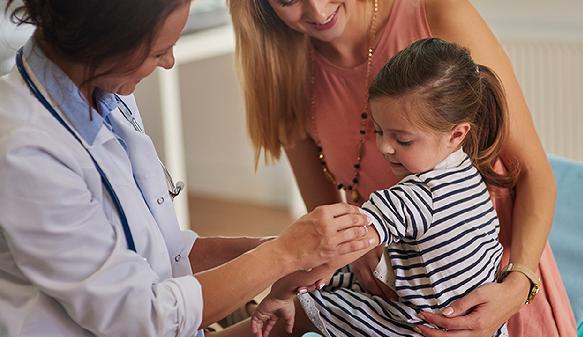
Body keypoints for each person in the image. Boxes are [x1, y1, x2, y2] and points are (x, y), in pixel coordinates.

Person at [0, 1, 376, 337]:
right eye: (159, 51)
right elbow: (141, 318)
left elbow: (162, 253)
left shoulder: (101, 93)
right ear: (104, 42)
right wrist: (282, 256)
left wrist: (278, 250)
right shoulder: (25, 149)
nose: (169, 63)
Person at [228, 0, 577, 336]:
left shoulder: (439, 14)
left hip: (502, 279)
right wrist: (359, 248)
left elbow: (535, 173)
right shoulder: (283, 72)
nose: (317, 9)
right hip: (400, 291)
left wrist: (518, 284)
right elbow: (325, 214)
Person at [251, 37, 514, 337]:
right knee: (347, 279)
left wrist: (281, 291)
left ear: (456, 134)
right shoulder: (468, 174)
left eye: (402, 140)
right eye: (378, 131)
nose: (385, 147)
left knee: (303, 305)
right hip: (474, 325)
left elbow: (333, 251)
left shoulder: (415, 197)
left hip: (413, 325)